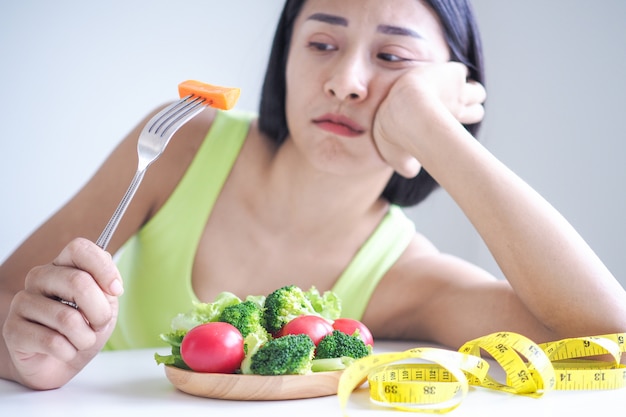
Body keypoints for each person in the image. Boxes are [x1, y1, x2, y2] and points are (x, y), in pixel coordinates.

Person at [2, 0, 625, 390]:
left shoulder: (407, 277)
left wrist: (436, 134)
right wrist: (25, 357)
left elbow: (607, 336)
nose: (347, 82)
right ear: (286, 58)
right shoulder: (179, 141)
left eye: (393, 60)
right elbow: (8, 299)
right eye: (321, 44)